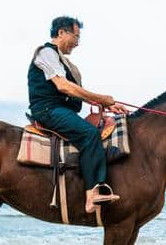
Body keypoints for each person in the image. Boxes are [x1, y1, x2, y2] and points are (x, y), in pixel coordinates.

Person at [27, 16, 129, 213]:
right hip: (48, 110)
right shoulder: (46, 53)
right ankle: (92, 193)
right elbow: (64, 87)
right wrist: (101, 98)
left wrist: (110, 104)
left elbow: (78, 93)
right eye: (76, 36)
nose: (77, 43)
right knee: (89, 134)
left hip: (60, 109)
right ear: (61, 33)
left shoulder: (60, 60)